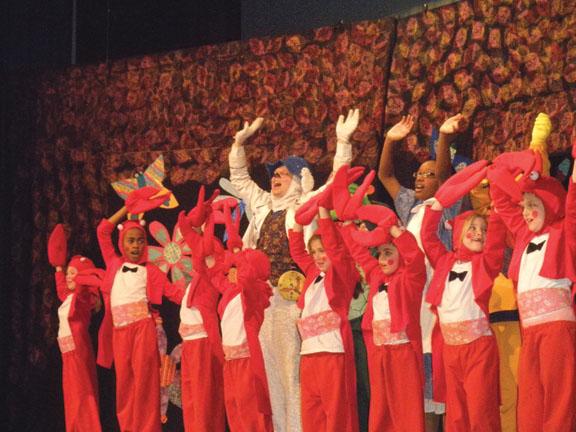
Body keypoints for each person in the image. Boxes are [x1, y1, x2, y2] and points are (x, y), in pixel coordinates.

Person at [228, 110, 359, 431]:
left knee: (293, 374)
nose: (275, 178)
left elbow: (336, 181)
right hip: (263, 300)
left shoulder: (305, 203)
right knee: (270, 373)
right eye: (274, 174)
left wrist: (343, 143)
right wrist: (238, 145)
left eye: (283, 174)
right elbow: (240, 180)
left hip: (293, 298)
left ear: (300, 180)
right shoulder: (262, 204)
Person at [378, 113, 466, 430]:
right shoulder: (409, 208)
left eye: (427, 175)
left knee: (439, 383)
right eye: (418, 174)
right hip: (414, 299)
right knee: (420, 387)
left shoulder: (448, 205)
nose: (419, 179)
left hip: (438, 299)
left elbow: (443, 177)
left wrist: (444, 137)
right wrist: (390, 141)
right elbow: (385, 175)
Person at [488, 143, 576, 432]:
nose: (525, 213)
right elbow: (500, 197)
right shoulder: (524, 236)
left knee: (559, 401)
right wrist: (515, 162)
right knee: (530, 401)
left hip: (557, 330)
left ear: (549, 204)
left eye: (532, 206)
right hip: (530, 331)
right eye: (523, 207)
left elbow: (573, 205)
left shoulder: (564, 230)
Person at [421, 161, 506, 432]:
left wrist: (497, 205)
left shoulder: (485, 263)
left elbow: (496, 241)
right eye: (473, 227)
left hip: (478, 348)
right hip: (450, 349)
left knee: (481, 413)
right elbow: (427, 237)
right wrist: (436, 206)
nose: (479, 233)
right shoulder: (445, 262)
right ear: (458, 233)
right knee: (456, 415)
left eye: (483, 229)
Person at [96, 205, 184, 432]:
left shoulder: (151, 271)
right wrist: (127, 207)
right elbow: (102, 231)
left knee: (146, 382)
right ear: (122, 243)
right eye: (131, 241)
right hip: (120, 332)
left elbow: (175, 294)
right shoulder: (114, 264)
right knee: (124, 385)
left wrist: (199, 287)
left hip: (143, 330)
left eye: (140, 241)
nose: (136, 245)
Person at [341, 204, 426, 432]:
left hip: (402, 352)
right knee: (381, 409)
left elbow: (415, 256)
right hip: (378, 352)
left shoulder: (410, 278)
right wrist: (348, 225)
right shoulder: (376, 276)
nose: (381, 259)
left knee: (406, 409)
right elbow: (359, 253)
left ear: (400, 254)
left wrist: (395, 230)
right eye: (380, 253)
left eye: (388, 253)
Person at [289, 204, 359, 432]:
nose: (318, 256)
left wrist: (322, 210)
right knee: (312, 415)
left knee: (336, 414)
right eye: (315, 252)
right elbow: (297, 251)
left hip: (332, 353)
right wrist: (298, 222)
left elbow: (336, 248)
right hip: (309, 355)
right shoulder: (313, 273)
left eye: (322, 250)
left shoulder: (343, 274)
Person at [176, 186, 226, 432]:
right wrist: (201, 213)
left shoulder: (211, 280)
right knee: (192, 402)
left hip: (203, 345)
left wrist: (219, 355)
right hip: (190, 345)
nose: (204, 258)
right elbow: (184, 226)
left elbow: (210, 321)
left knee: (204, 402)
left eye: (210, 256)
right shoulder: (197, 278)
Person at [48, 224, 102, 432]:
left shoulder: (82, 299)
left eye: (73, 273)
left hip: (78, 352)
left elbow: (80, 291)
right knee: (72, 396)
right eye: (69, 273)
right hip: (68, 353)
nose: (69, 277)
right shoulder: (69, 297)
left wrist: (81, 278)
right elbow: (62, 289)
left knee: (82, 394)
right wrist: (59, 268)